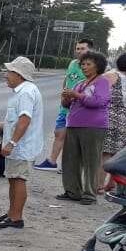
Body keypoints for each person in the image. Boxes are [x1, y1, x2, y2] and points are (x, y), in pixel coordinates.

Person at [0, 57, 44, 229]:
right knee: (12, 179)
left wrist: (11, 143)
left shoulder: (26, 92)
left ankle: (16, 218)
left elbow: (24, 120)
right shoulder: (21, 91)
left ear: (19, 74)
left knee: (18, 179)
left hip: (22, 147)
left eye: (9, 71)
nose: (6, 75)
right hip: (18, 147)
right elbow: (14, 121)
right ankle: (12, 214)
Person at [57, 51, 110, 205]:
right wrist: (66, 98)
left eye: (88, 64)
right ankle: (72, 191)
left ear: (98, 66)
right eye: (82, 64)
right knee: (70, 159)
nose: (84, 67)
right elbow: (67, 105)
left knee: (90, 161)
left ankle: (89, 194)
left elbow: (98, 102)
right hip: (74, 124)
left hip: (93, 126)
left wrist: (77, 95)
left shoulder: (102, 82)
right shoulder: (80, 84)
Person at [35, 37, 92, 170]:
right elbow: (67, 79)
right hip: (66, 106)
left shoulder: (91, 67)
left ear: (90, 50)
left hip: (80, 108)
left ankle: (71, 166)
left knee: (75, 139)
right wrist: (63, 94)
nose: (79, 51)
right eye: (77, 48)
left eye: (83, 48)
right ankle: (51, 162)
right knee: (59, 133)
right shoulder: (72, 63)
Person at [99, 53, 126, 192]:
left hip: (110, 118)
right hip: (123, 120)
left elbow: (100, 94)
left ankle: (98, 184)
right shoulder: (122, 77)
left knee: (105, 153)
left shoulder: (111, 75)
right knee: (117, 154)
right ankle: (110, 182)